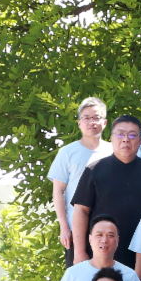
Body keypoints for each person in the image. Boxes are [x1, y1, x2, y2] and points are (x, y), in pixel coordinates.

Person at [68, 115, 141, 273]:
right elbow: (81, 211)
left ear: (140, 141)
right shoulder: (94, 170)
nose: (125, 139)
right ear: (111, 139)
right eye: (120, 134)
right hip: (101, 257)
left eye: (132, 135)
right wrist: (79, 252)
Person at [50, 98, 110, 259]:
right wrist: (64, 227)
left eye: (96, 117)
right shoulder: (67, 152)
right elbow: (58, 192)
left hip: (108, 230)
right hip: (76, 231)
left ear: (104, 122)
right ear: (79, 123)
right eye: (86, 118)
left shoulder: (113, 151)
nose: (91, 122)